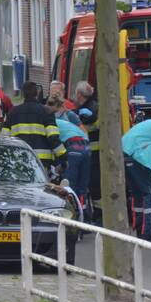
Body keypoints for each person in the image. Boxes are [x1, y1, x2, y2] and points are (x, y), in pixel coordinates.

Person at [0, 81, 66, 170]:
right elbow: (53, 137)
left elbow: (5, 138)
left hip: (19, 161)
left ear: (23, 94)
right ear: (37, 93)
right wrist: (63, 156)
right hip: (41, 164)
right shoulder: (47, 112)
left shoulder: (13, 112)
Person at [46, 97, 91, 215]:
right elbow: (84, 132)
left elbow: (53, 143)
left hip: (73, 146)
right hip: (86, 146)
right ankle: (85, 217)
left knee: (69, 186)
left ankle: (72, 216)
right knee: (82, 186)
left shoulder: (51, 123)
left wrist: (58, 163)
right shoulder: (66, 122)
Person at [73, 81, 101, 214]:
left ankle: (97, 214)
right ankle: (97, 213)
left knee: (93, 186)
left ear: (79, 94)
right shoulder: (94, 106)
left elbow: (85, 129)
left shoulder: (86, 111)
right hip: (93, 152)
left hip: (91, 153)